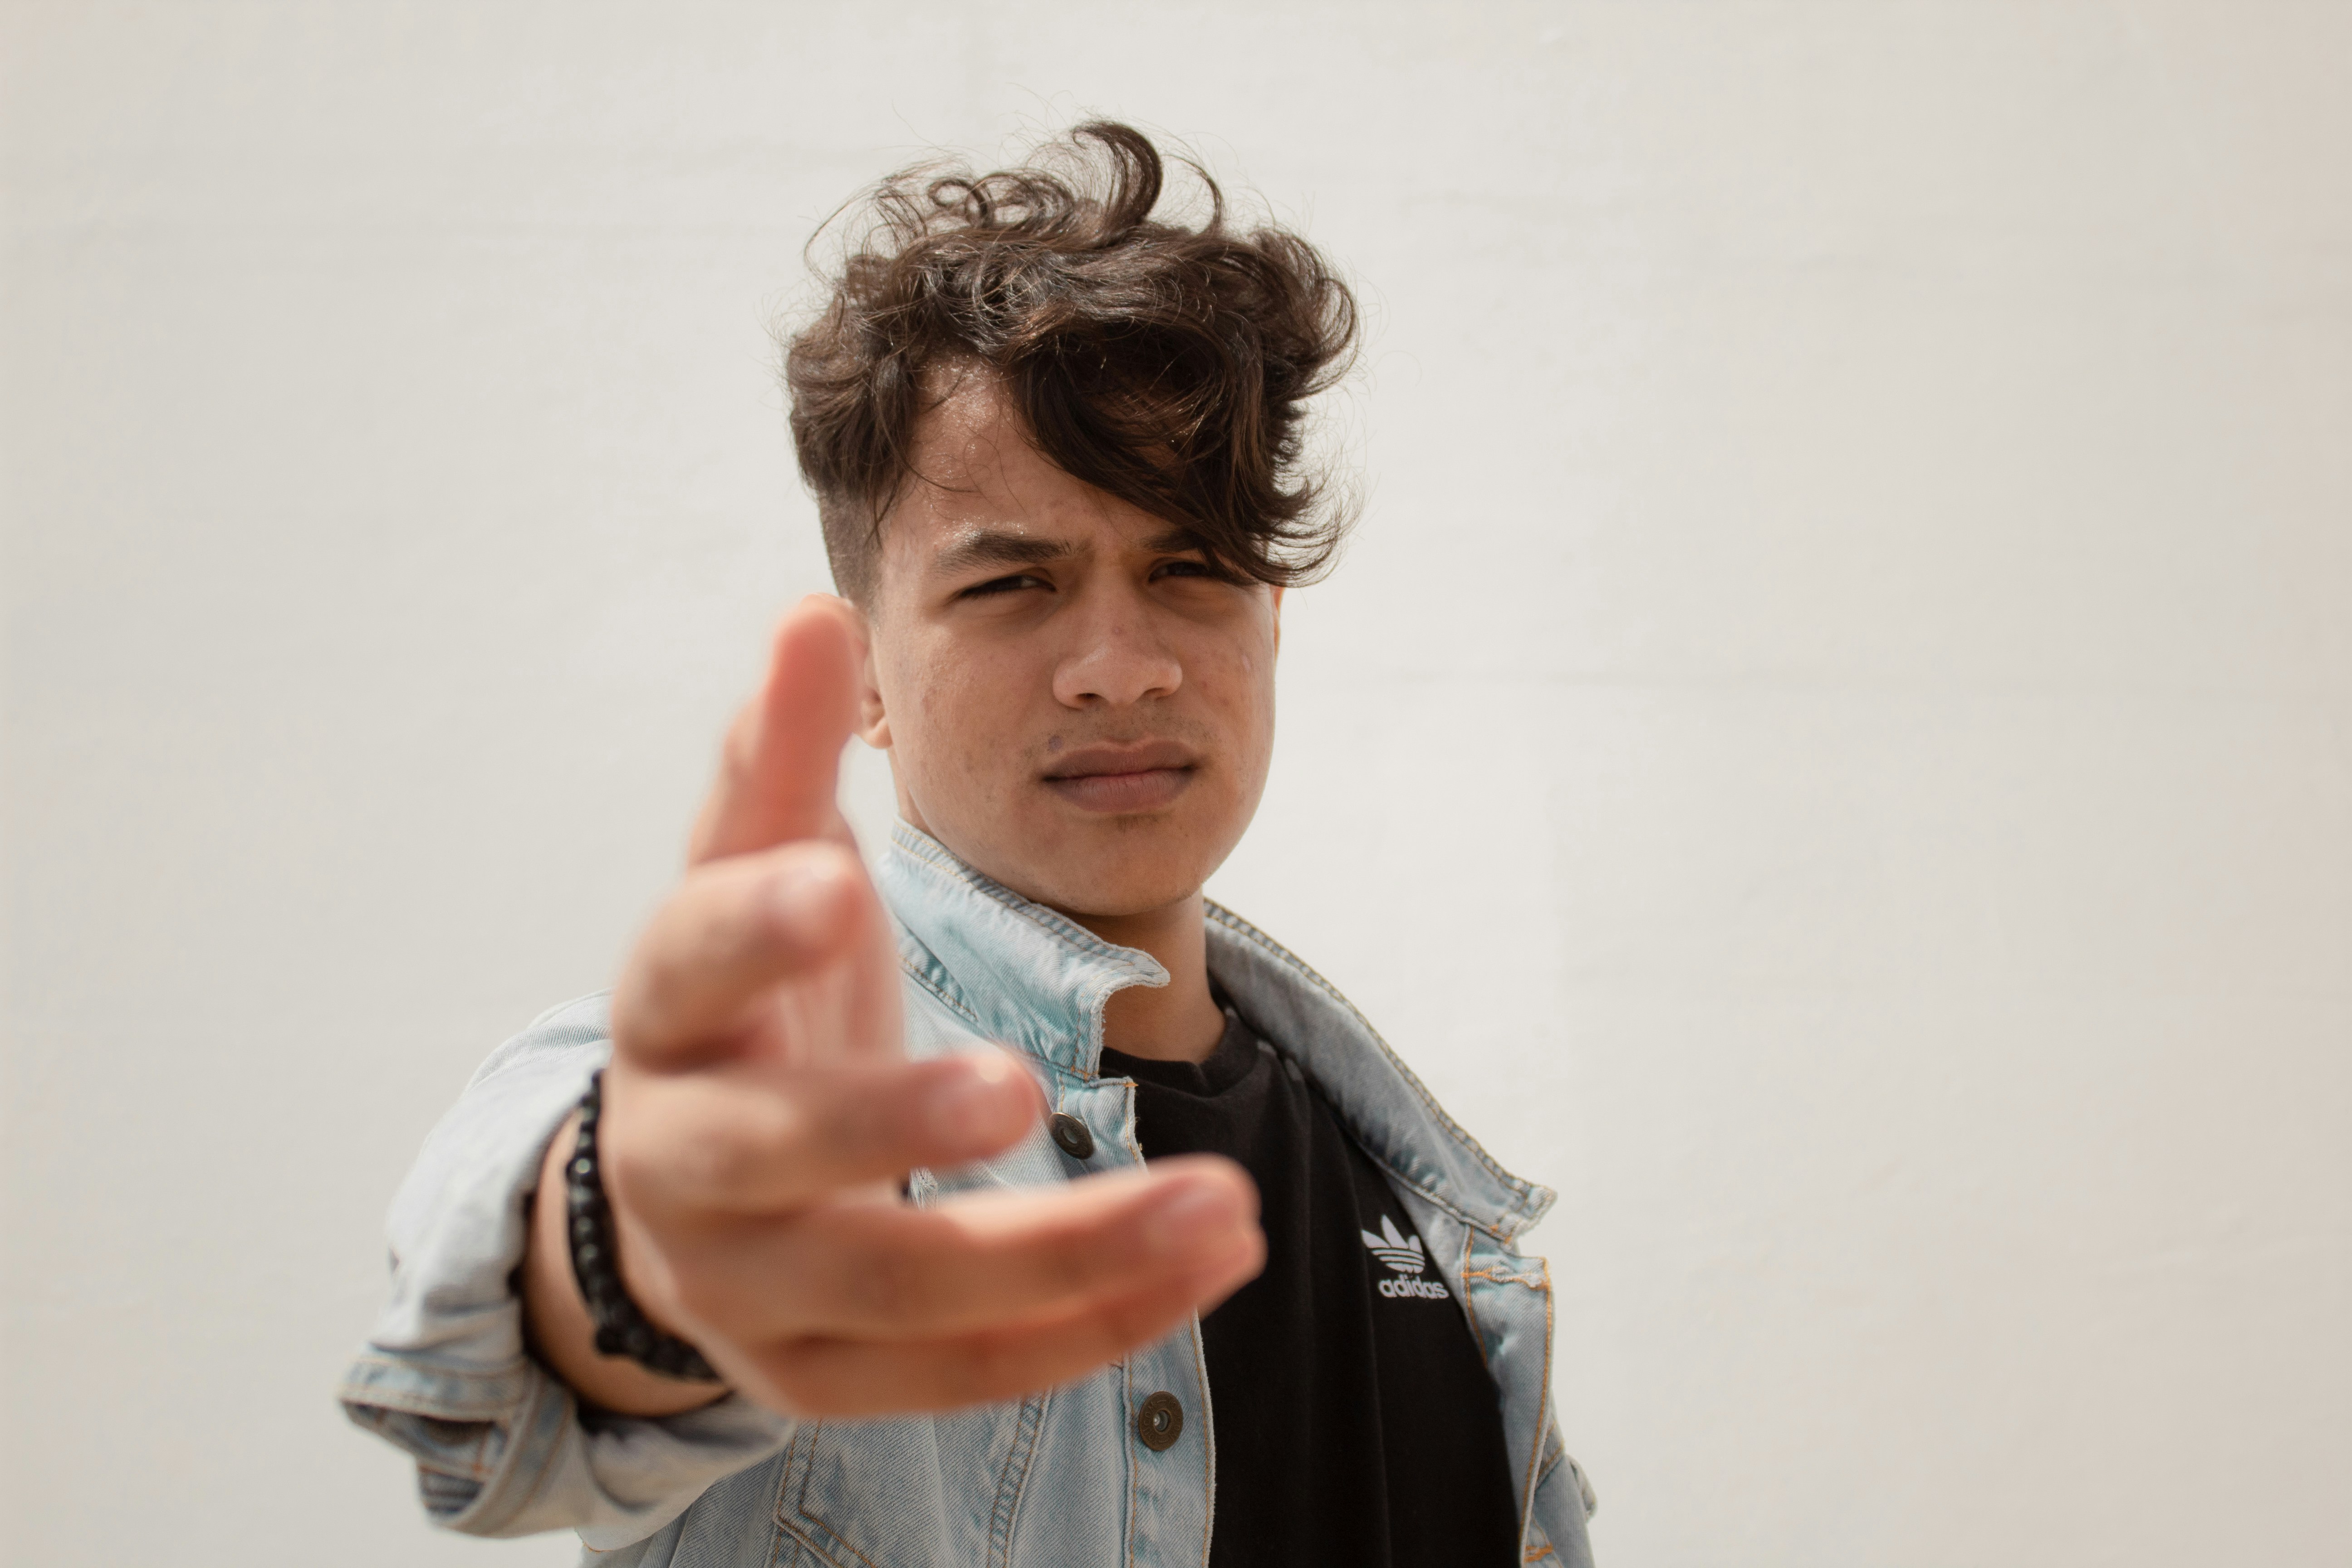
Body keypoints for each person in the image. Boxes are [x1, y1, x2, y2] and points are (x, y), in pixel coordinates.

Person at [341, 121, 1597, 1568]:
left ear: (1271, 619)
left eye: (1189, 569)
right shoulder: (810, 1109)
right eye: (1015, 584)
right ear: (867, 670)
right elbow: (536, 1301)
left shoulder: (1431, 1212)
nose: (1120, 668)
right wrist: (635, 1259)